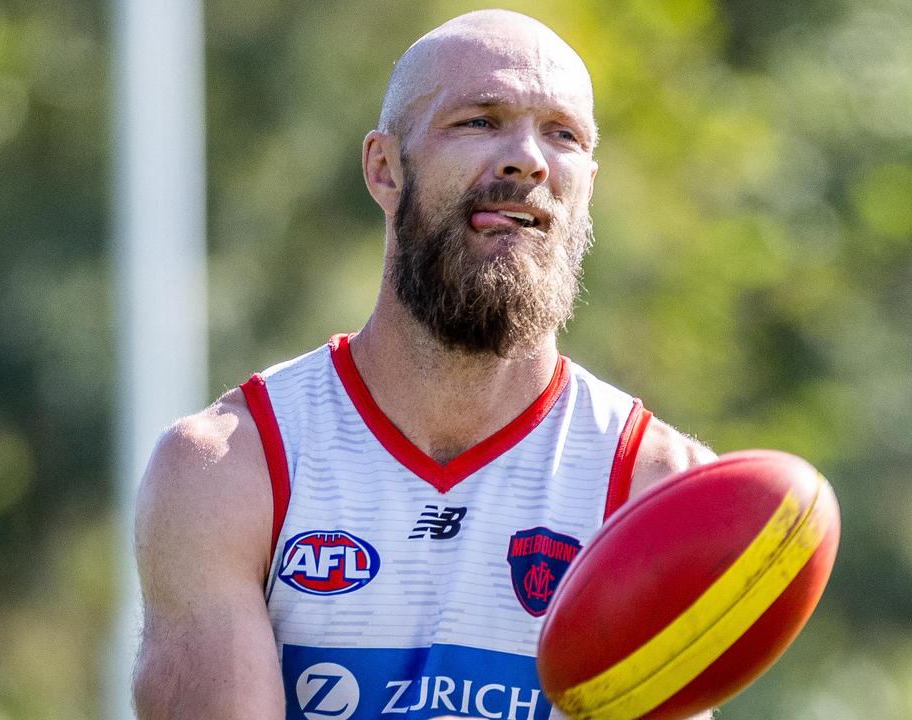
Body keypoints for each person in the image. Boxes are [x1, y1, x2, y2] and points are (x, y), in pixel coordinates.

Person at [133, 9, 715, 720]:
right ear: (384, 167)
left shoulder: (653, 490)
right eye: (478, 120)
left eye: (562, 134)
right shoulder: (230, 469)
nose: (527, 158)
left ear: (586, 184)